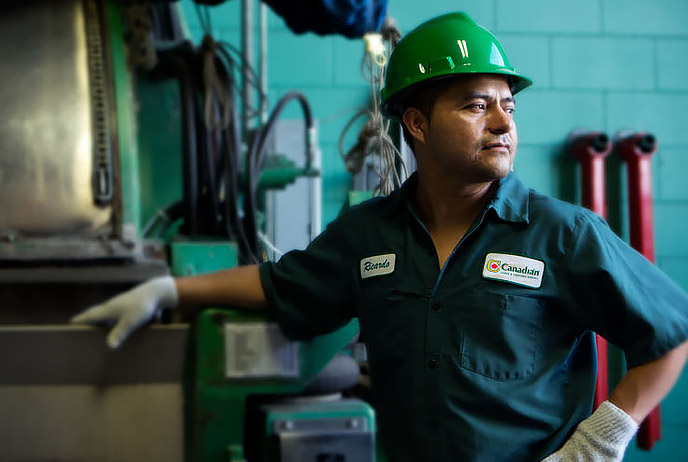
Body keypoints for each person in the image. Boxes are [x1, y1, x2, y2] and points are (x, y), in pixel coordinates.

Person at [72, 12, 688, 462]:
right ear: (416, 124)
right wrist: (168, 291)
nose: (503, 122)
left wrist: (600, 442)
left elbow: (669, 337)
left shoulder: (561, 231)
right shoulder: (369, 235)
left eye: (508, 106)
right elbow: (279, 283)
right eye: (477, 105)